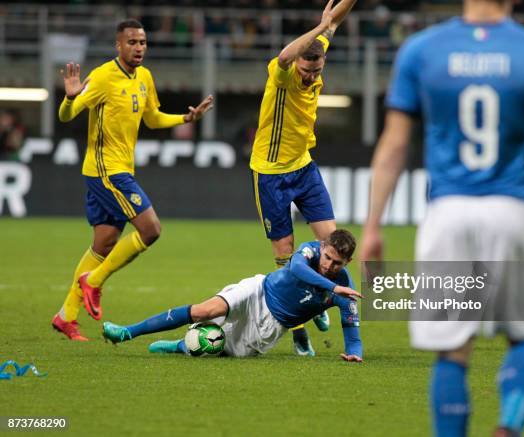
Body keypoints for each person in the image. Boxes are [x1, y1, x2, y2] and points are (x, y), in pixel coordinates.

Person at [360, 0, 524, 435]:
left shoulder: (422, 50)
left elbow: (392, 147)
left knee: (452, 351)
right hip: (517, 209)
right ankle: (509, 425)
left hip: (448, 213)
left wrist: (373, 226)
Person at [51, 19, 214, 341]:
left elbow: (152, 118)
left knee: (104, 243)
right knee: (151, 229)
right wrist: (70, 97)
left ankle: (66, 316)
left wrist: (186, 118)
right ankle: (93, 282)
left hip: (119, 169)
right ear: (118, 46)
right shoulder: (101, 77)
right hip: (107, 171)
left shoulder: (144, 77)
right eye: (132, 42)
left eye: (142, 42)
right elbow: (66, 116)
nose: (138, 47)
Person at [249, 0, 356, 356]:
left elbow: (336, 19)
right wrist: (318, 28)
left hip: (304, 167)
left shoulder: (316, 53)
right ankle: (298, 330)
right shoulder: (282, 74)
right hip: (270, 173)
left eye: (316, 70)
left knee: (333, 246)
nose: (311, 76)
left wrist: (336, 15)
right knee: (285, 253)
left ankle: (321, 301)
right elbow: (283, 57)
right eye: (307, 70)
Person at [102, 229, 363, 362]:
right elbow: (295, 268)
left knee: (216, 347)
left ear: (348, 262)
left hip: (271, 325)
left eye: (337, 263)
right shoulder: (309, 252)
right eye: (328, 257)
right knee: (205, 311)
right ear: (322, 247)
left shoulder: (345, 289)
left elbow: (351, 326)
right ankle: (127, 332)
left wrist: (355, 352)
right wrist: (332, 287)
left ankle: (181, 346)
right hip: (258, 290)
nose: (329, 266)